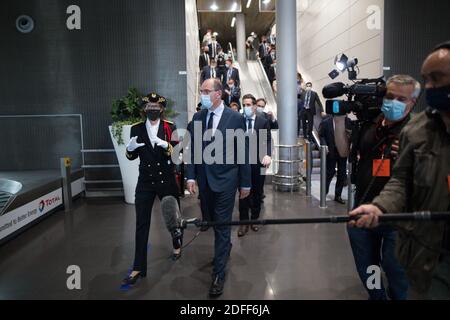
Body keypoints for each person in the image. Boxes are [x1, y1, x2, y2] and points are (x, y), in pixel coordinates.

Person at [349, 42, 450, 298]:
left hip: (404, 224)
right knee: (377, 271)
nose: (430, 87)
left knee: (395, 272)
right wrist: (378, 207)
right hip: (424, 246)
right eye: (427, 80)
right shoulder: (419, 131)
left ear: (411, 101)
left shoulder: (409, 127)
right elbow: (402, 181)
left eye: (437, 79)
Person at [347, 74, 421, 300]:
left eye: (401, 99)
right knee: (368, 267)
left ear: (412, 103)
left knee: (395, 268)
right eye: (390, 96)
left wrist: (414, 157)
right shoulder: (370, 124)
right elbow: (344, 153)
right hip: (363, 209)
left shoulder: (419, 132)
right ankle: (377, 296)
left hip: (399, 217)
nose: (393, 102)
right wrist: (340, 119)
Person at [186, 78, 251, 297]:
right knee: (213, 221)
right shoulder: (198, 117)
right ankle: (224, 250)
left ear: (218, 93)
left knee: (222, 226)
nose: (202, 94)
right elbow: (192, 150)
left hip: (226, 181)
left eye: (206, 91)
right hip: (204, 182)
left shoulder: (235, 118)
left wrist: (245, 182)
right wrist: (191, 177)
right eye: (201, 90)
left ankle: (218, 274)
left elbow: (243, 152)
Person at [122, 93, 182, 286]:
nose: (152, 109)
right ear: (144, 109)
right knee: (141, 223)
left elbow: (176, 155)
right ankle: (138, 267)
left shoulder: (169, 127)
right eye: (149, 107)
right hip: (146, 181)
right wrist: (130, 149)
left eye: (155, 107)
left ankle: (176, 244)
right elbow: (131, 156)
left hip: (166, 179)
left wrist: (167, 146)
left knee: (173, 217)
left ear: (161, 109)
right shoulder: (136, 129)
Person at [238, 95, 272, 237]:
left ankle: (255, 219)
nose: (246, 107)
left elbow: (268, 140)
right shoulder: (238, 121)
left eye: (248, 104)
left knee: (258, 192)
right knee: (243, 193)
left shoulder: (262, 122)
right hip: (242, 164)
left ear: (254, 106)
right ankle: (243, 222)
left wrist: (268, 155)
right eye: (244, 104)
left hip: (259, 163)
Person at [319, 115, 350, 205]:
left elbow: (351, 134)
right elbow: (321, 135)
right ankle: (324, 192)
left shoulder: (347, 122)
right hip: (331, 151)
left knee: (342, 174)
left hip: (343, 151)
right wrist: (325, 145)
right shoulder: (326, 122)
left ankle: (338, 195)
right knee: (329, 173)